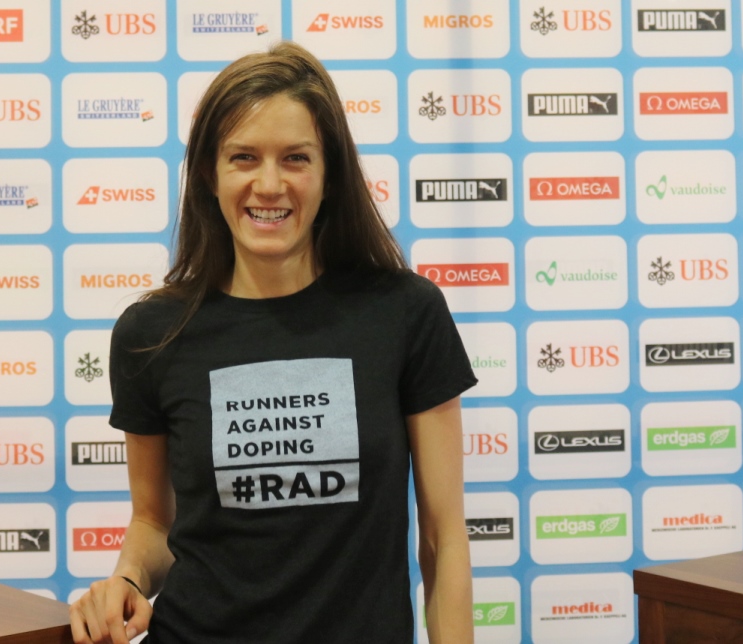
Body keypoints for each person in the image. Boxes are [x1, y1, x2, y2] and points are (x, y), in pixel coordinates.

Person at [69, 41, 477, 644]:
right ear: (210, 173)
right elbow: (154, 522)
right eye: (243, 157)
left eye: (294, 158)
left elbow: (443, 539)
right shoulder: (151, 334)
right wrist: (127, 580)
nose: (269, 184)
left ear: (329, 173)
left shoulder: (405, 313)